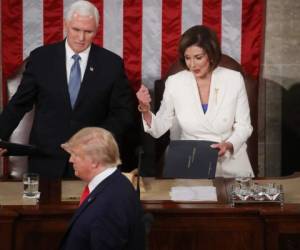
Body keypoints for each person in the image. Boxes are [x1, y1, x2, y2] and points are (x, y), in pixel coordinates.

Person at [0, 0, 136, 178]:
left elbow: (123, 114)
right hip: (46, 159)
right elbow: (19, 104)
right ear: (66, 25)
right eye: (76, 30)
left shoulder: (111, 64)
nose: (81, 38)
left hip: (93, 160)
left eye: (88, 32)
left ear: (97, 29)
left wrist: (95, 139)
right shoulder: (41, 59)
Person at [136, 25, 254, 178]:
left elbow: (244, 126)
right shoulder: (175, 82)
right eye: (187, 58)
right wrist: (145, 109)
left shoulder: (233, 79)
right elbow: (159, 128)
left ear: (211, 55)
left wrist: (229, 145)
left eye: (198, 57)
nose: (192, 65)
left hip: (230, 162)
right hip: (192, 162)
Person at [60, 127, 145, 250]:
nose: (70, 160)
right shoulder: (114, 183)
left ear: (94, 161)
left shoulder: (110, 203)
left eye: (76, 155)